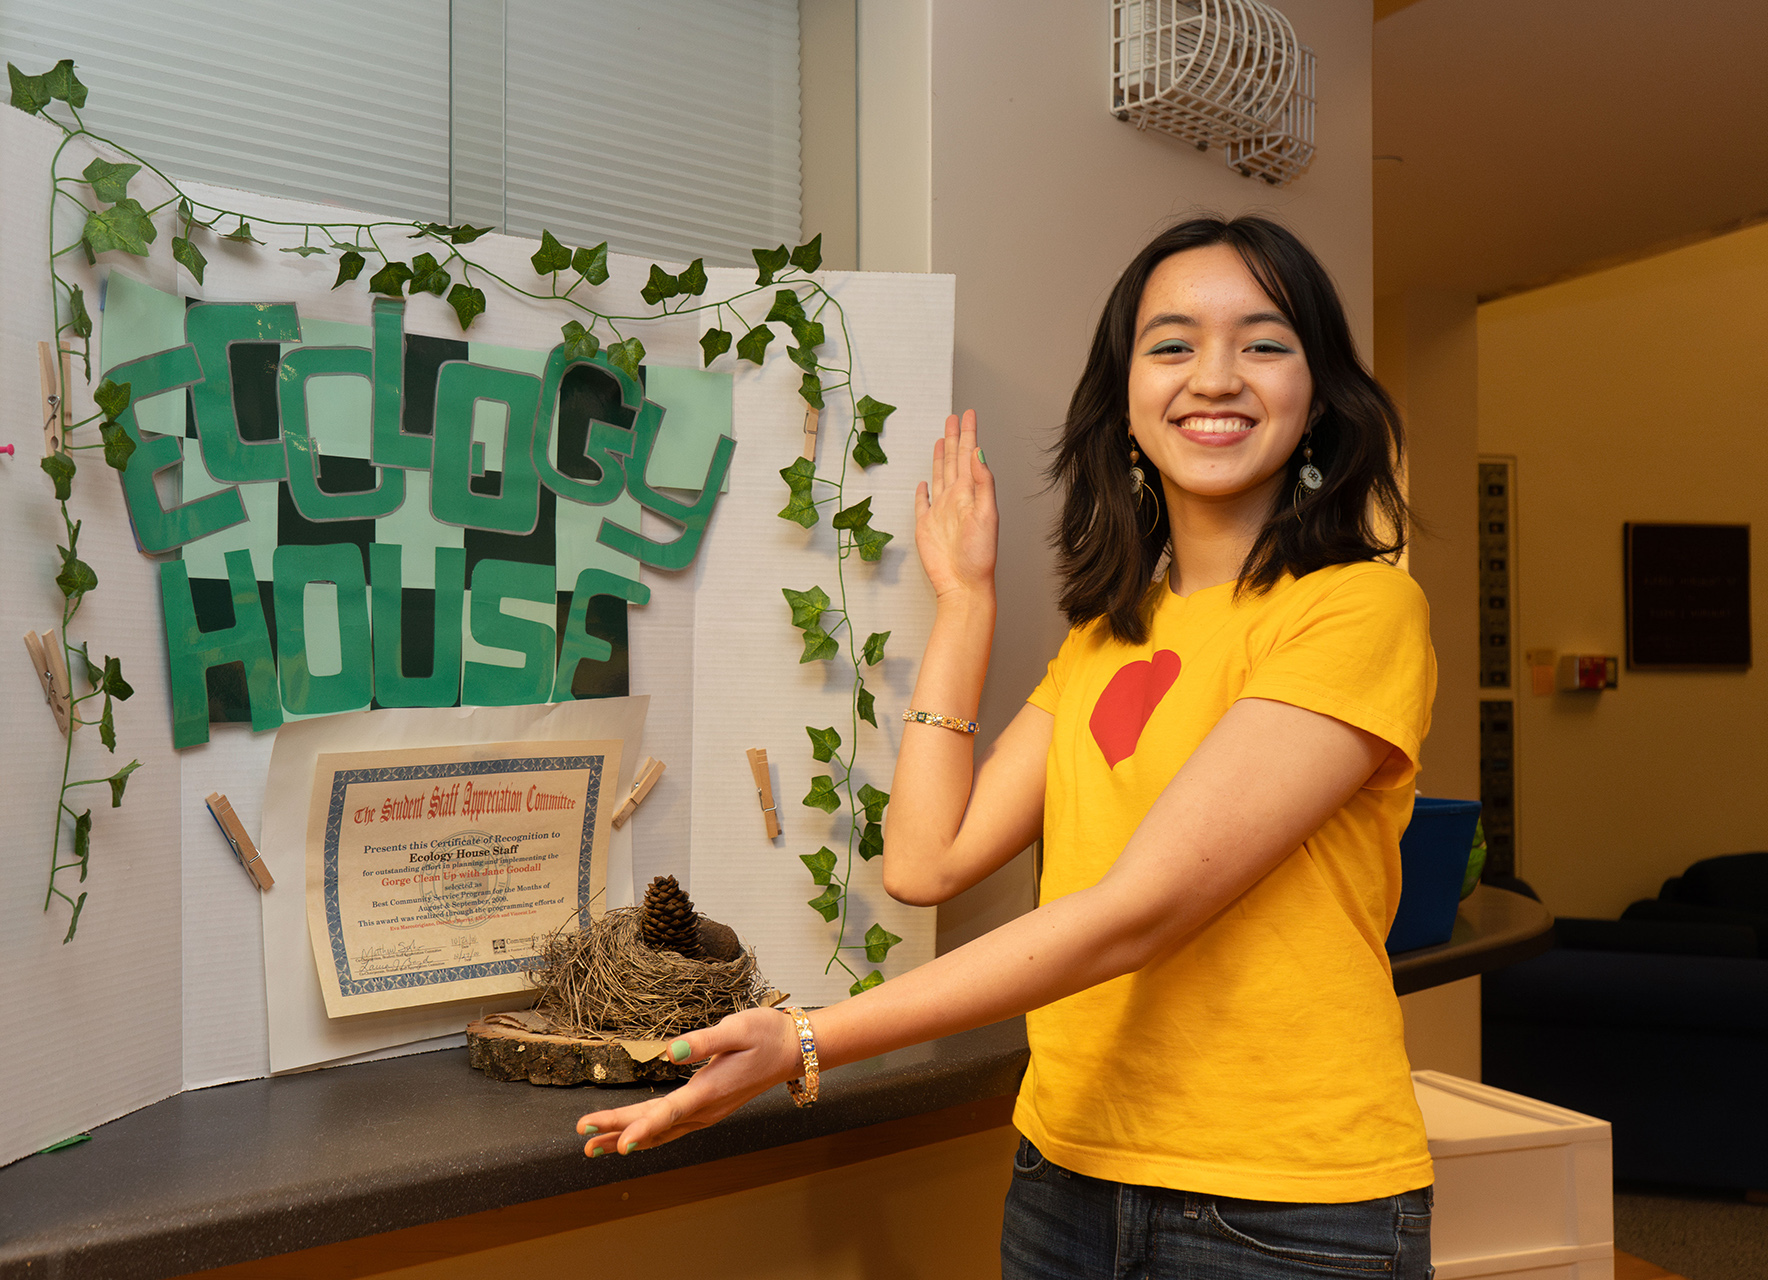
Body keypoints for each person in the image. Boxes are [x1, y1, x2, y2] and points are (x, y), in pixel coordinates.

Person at [576, 215, 1437, 1279]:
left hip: (1285, 1209)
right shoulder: (1110, 638)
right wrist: (968, 603)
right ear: (1125, 402)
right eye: (1172, 345)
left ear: (1318, 401)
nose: (1215, 376)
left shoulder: (1359, 612)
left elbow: (1141, 908)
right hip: (1065, 1178)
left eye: (1263, 343)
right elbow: (925, 859)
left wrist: (807, 1036)